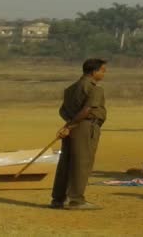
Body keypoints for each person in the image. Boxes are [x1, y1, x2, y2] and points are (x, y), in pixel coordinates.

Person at [51, 58, 108, 210]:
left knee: (66, 163)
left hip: (71, 127)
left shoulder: (71, 88)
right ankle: (76, 200)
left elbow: (62, 111)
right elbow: (87, 110)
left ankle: (58, 199)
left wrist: (68, 124)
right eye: (102, 71)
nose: (104, 74)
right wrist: (72, 124)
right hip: (85, 127)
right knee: (82, 163)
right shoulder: (94, 89)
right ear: (94, 71)